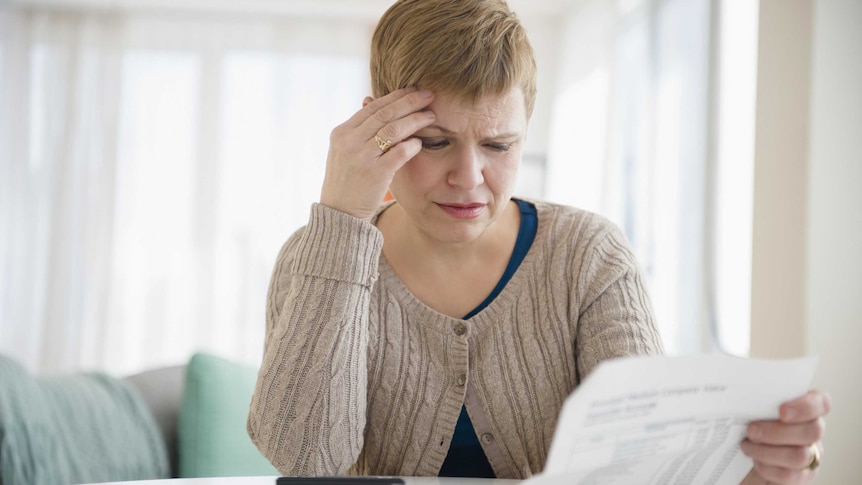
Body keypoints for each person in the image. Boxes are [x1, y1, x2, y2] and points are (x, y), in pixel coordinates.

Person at [247, 0, 829, 483]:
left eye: (499, 146)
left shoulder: (588, 256)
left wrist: (761, 472)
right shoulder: (317, 255)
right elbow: (307, 460)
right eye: (433, 142)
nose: (469, 178)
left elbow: (651, 468)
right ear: (377, 128)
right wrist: (344, 218)